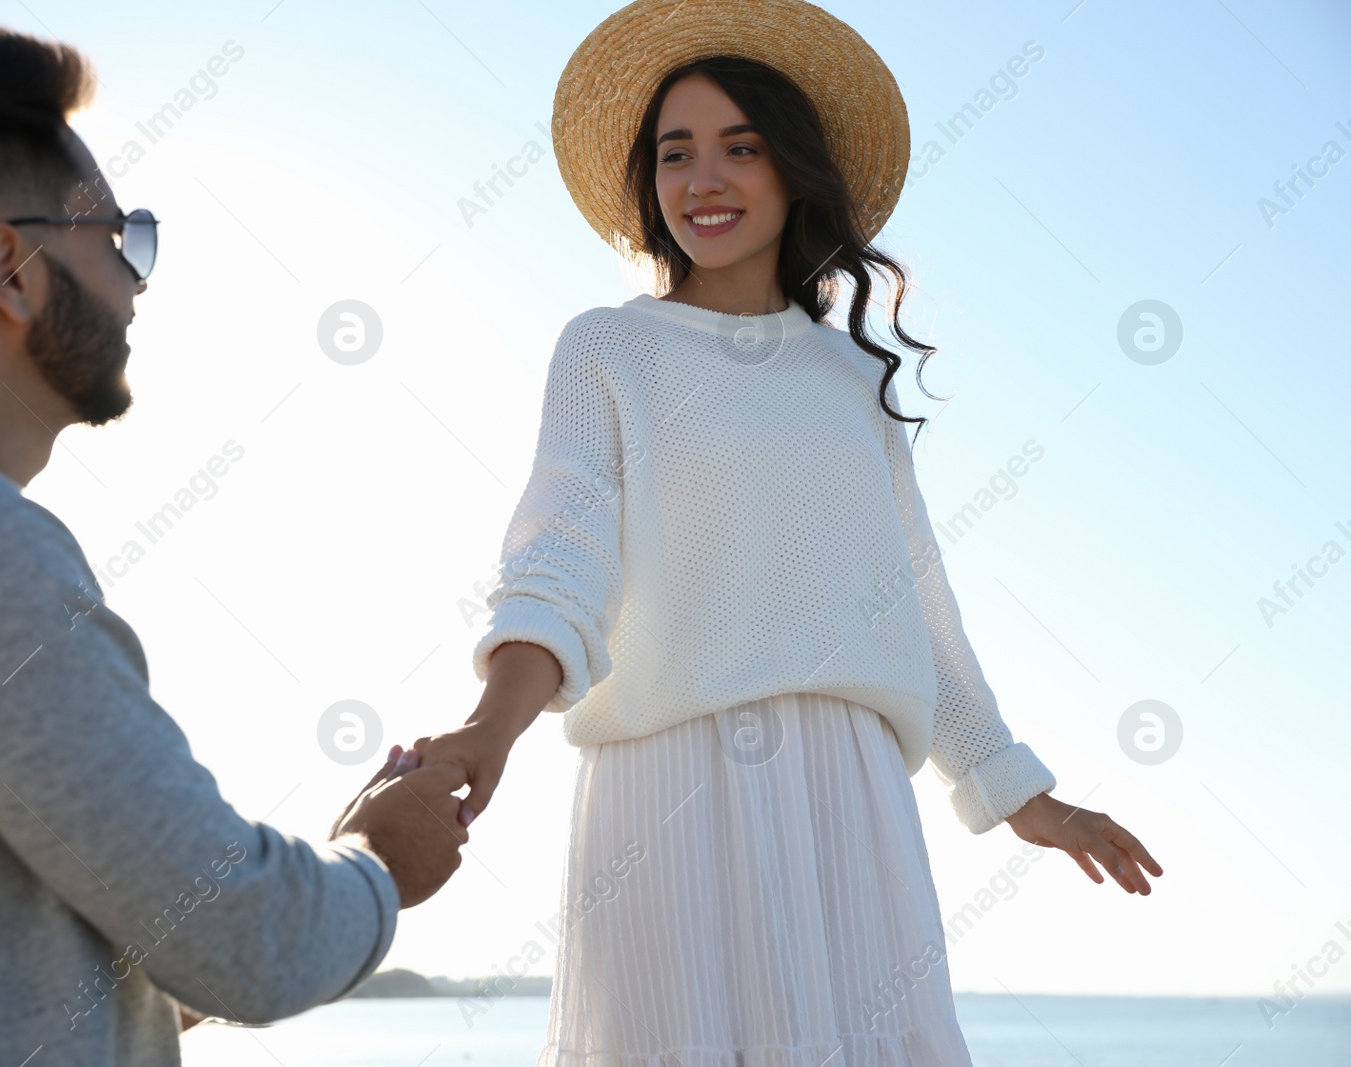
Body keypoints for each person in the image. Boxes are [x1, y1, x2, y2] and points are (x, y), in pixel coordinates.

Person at [410, 1, 1164, 1063]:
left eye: (740, 148)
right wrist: (491, 727)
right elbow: (559, 560)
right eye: (676, 153)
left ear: (793, 172)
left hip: (849, 800)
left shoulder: (851, 381)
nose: (702, 179)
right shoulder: (607, 350)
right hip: (666, 797)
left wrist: (1017, 793)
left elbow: (913, 611)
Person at [0, 22, 467, 1066]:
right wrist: (380, 860)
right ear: (9, 268)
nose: (138, 282)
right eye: (117, 237)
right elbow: (248, 943)